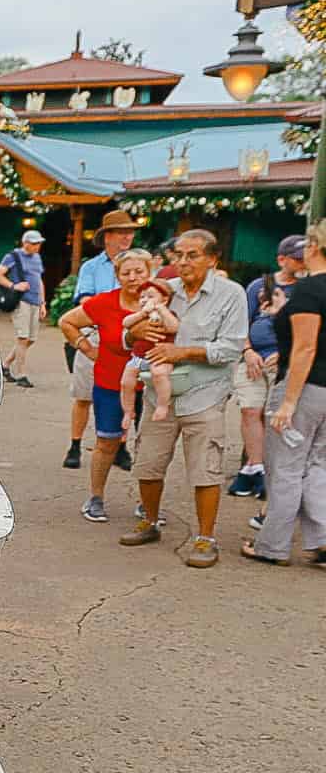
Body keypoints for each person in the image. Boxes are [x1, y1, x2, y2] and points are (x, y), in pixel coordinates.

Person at [118, 230, 248, 567]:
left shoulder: (230, 294)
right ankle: (149, 521)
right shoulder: (162, 288)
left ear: (213, 259)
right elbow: (125, 336)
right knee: (148, 463)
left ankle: (205, 539)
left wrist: (182, 352)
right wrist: (134, 333)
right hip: (156, 395)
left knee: (206, 469)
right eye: (178, 255)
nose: (183, 262)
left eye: (192, 255)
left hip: (204, 396)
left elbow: (231, 347)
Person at [244, 222, 326, 565]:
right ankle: (322, 539)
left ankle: (272, 545)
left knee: (287, 467)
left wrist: (288, 401)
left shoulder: (309, 290)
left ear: (313, 247)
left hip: (305, 388)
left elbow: (306, 349)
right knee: (318, 464)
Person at [58, 247, 158, 523]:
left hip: (151, 386)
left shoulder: (160, 301)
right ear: (117, 275)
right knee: (107, 442)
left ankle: (146, 503)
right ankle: (96, 497)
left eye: (139, 271)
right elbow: (67, 322)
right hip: (110, 383)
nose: (133, 277)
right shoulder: (104, 302)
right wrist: (88, 349)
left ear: (150, 273)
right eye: (126, 272)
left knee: (149, 445)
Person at [231, 234, 308, 500]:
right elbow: (241, 323)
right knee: (249, 410)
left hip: (283, 359)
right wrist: (248, 350)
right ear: (281, 259)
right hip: (253, 357)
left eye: (304, 258)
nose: (301, 263)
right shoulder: (258, 286)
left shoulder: (307, 288)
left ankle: (266, 471)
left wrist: (283, 352)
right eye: (296, 259)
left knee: (273, 415)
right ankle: (256, 467)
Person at [64, 210, 138, 470]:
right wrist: (104, 316)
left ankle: (120, 446)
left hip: (131, 336)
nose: (128, 236)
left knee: (126, 394)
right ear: (107, 236)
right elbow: (84, 300)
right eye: (122, 231)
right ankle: (75, 445)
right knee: (84, 394)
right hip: (97, 331)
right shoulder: (91, 267)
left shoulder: (138, 264)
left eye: (130, 232)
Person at [120, 276, 178, 420]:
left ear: (164, 299)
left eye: (150, 296)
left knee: (159, 374)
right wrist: (142, 313)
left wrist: (161, 309)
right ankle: (128, 410)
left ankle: (162, 405)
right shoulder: (141, 316)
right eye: (142, 297)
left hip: (159, 356)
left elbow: (173, 327)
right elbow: (126, 323)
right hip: (138, 357)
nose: (145, 300)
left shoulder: (168, 314)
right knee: (126, 381)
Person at [0, 226, 45, 386]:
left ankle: (5, 365)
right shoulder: (13, 256)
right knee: (22, 338)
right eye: (34, 243)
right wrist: (14, 286)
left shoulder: (37, 258)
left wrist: (43, 303)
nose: (37, 246)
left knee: (31, 339)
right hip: (21, 301)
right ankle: (21, 375)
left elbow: (39, 280)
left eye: (39, 243)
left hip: (36, 302)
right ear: (25, 243)